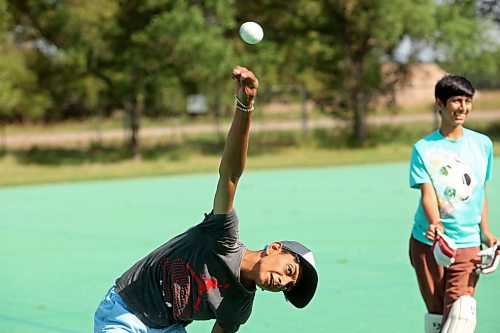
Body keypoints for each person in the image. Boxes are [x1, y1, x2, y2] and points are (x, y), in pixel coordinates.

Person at [94, 66, 319, 333]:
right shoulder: (223, 237)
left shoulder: (238, 306)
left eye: (288, 286)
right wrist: (245, 107)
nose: (282, 281)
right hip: (125, 311)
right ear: (274, 248)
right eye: (289, 271)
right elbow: (231, 174)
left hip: (168, 329)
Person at [408, 74, 497, 333]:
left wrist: (486, 231)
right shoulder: (423, 148)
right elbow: (428, 193)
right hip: (429, 244)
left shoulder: (482, 144)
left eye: (467, 101)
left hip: (469, 244)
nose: (463, 108)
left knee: (460, 314)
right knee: (437, 315)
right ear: (440, 104)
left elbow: (479, 191)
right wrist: (436, 224)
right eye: (456, 101)